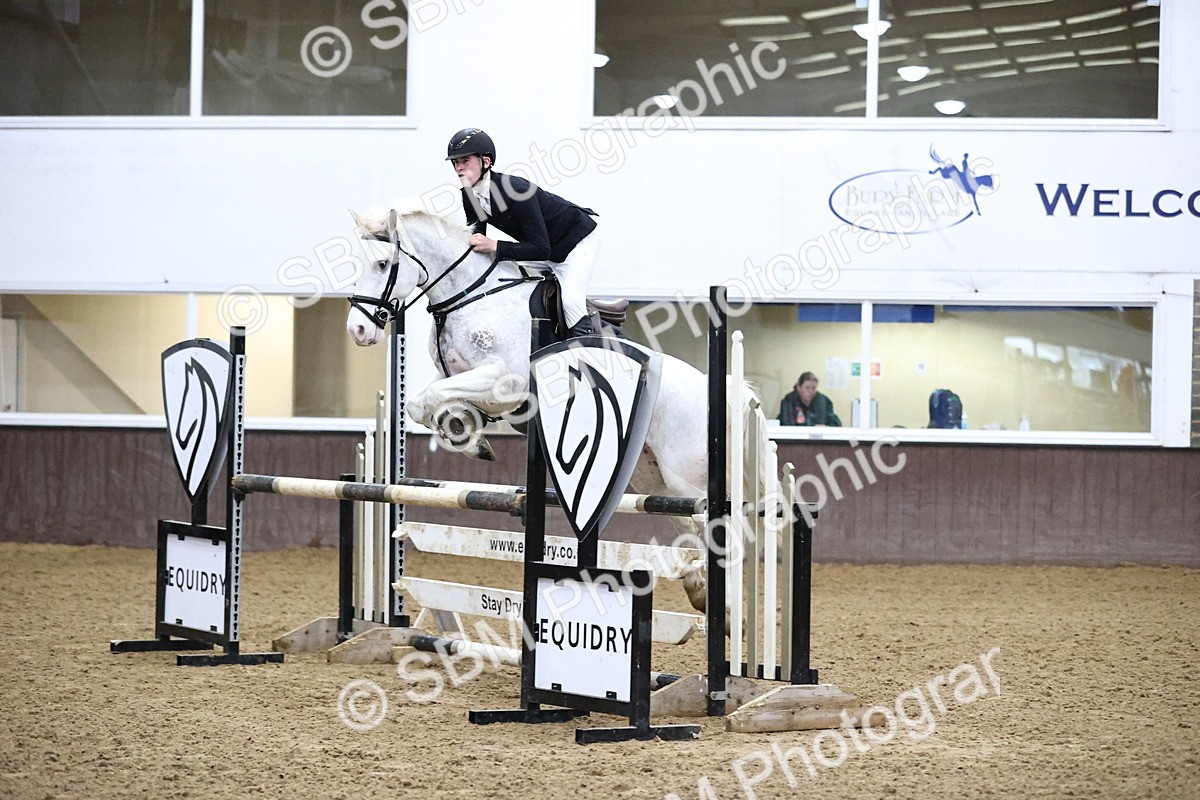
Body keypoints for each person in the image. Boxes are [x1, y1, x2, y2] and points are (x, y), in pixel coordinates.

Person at [446, 127, 601, 337]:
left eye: (465, 161)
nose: (459, 169)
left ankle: (588, 354)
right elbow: (477, 240)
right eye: (456, 163)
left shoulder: (516, 190)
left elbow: (540, 249)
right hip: (542, 248)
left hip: (574, 243)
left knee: (572, 301)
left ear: (486, 161)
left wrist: (495, 245)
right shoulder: (469, 194)